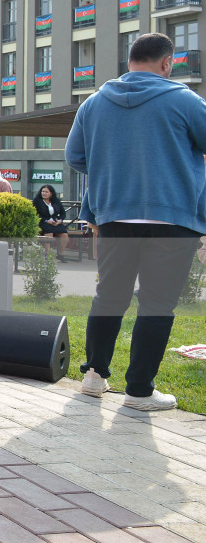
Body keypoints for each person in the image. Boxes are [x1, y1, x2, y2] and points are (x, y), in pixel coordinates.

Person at [67, 32, 206, 411]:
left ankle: (94, 376)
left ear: (130, 61)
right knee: (157, 303)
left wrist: (112, 169)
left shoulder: (93, 104)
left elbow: (75, 156)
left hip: (113, 215)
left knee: (109, 295)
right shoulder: (185, 101)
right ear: (167, 63)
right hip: (173, 218)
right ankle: (139, 391)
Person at [32, 184, 70, 261]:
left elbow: (63, 213)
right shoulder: (37, 201)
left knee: (64, 235)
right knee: (49, 232)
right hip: (42, 222)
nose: (44, 193)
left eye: (46, 192)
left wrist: (60, 220)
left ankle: (61, 254)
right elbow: (35, 214)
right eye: (43, 191)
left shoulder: (56, 201)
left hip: (55, 221)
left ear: (51, 193)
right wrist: (46, 220)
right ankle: (47, 254)